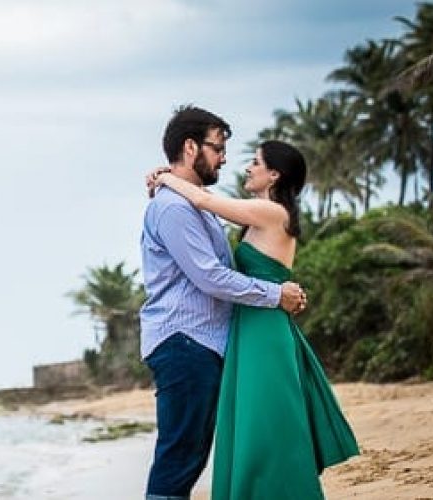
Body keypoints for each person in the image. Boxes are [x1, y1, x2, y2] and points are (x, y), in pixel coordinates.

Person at [151, 139, 360, 499]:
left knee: (265, 431)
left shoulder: (273, 212)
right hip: (251, 330)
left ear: (274, 174)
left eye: (256, 162)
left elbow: (204, 201)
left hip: (263, 334)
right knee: (251, 429)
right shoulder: (262, 215)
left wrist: (165, 177)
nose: (247, 167)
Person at [139, 105, 308, 500]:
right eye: (218, 148)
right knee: (180, 454)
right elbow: (210, 277)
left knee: (192, 453)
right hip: (185, 342)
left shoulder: (198, 204)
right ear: (190, 147)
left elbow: (213, 222)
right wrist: (275, 294)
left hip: (207, 344)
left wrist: (165, 176)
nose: (226, 159)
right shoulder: (173, 208)